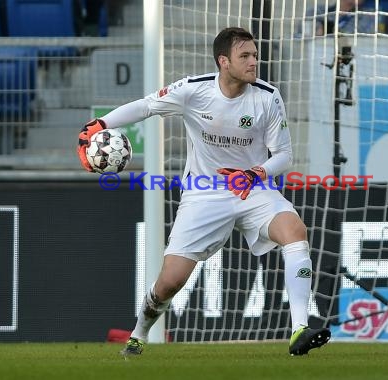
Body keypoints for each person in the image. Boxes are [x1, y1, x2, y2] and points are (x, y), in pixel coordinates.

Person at [76, 27, 331, 356]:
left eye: (255, 55)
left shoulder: (268, 96)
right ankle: (139, 333)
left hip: (252, 188)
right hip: (204, 193)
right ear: (224, 62)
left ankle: (299, 330)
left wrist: (256, 172)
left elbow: (284, 155)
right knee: (170, 282)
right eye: (245, 56)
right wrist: (102, 125)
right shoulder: (193, 90)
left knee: (294, 231)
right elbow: (146, 107)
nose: (254, 61)